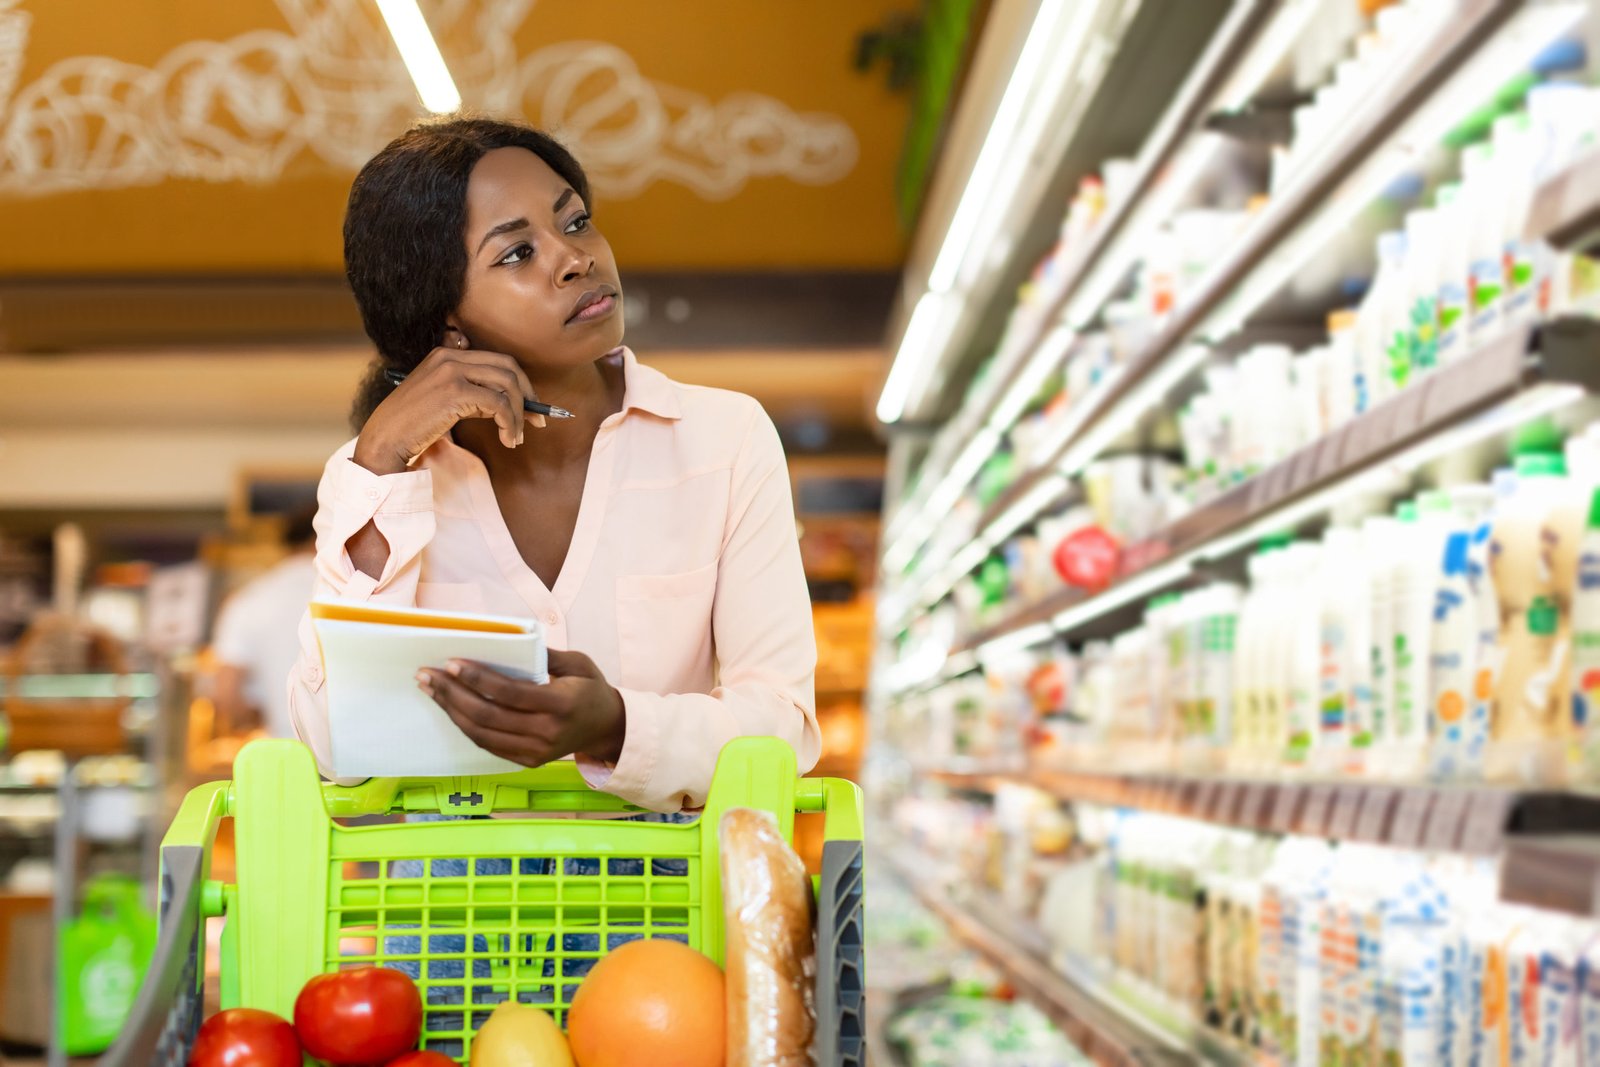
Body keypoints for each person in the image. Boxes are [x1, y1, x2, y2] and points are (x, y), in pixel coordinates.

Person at [287, 116, 820, 812]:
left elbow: (785, 728)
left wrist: (619, 725)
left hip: (667, 902)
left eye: (576, 222)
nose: (575, 259)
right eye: (515, 254)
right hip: (446, 905)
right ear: (447, 320)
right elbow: (333, 744)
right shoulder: (376, 482)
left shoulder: (726, 440)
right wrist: (381, 457)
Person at [211, 505, 318, 739]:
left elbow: (225, 693)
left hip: (288, 754)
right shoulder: (354, 593)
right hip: (365, 759)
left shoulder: (249, 600)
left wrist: (256, 716)